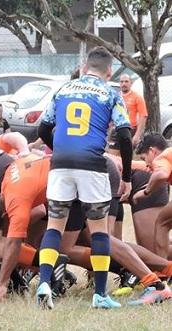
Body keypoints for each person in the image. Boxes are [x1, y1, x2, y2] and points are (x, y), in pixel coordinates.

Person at [36, 46, 133, 309]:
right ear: (109, 71)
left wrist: (59, 150)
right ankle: (100, 294)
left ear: (84, 67)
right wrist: (127, 174)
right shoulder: (110, 95)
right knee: (99, 230)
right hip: (92, 164)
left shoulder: (63, 89)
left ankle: (44, 281)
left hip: (61, 164)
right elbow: (124, 135)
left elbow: (43, 127)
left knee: (54, 225)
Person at [133, 133, 172, 259]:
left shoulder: (161, 158)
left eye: (144, 158)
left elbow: (161, 175)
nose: (147, 165)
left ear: (152, 151)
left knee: (162, 223)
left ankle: (164, 270)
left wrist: (146, 192)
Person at [120, 74, 148, 146]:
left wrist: (137, 135)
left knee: (126, 155)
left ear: (131, 83)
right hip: (117, 129)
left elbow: (143, 116)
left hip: (130, 130)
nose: (124, 84)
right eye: (122, 82)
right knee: (111, 155)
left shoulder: (137, 97)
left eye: (126, 81)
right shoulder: (116, 96)